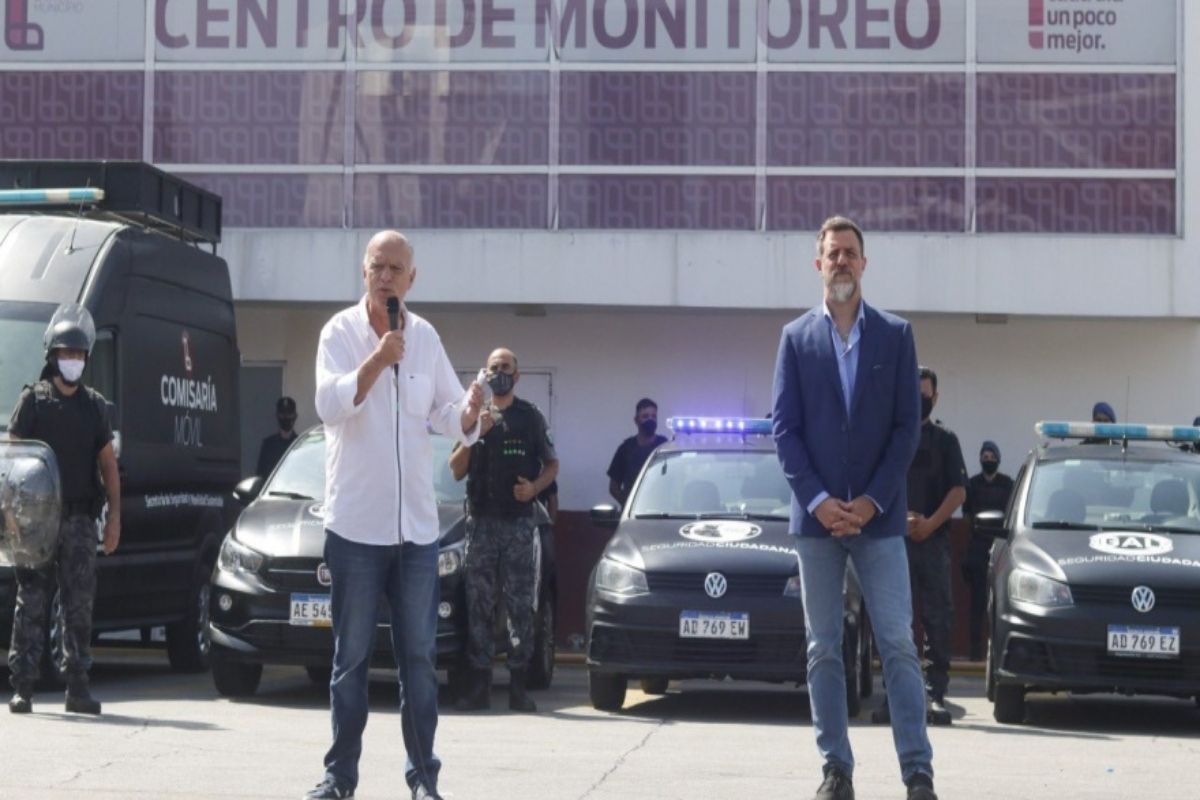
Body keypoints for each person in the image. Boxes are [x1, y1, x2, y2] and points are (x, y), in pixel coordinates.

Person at [308, 230, 484, 800]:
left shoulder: (425, 338)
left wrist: (471, 412)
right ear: (363, 272)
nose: (386, 276)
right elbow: (329, 405)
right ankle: (340, 778)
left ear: (412, 278)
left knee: (419, 661)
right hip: (356, 529)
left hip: (416, 534)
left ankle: (423, 779)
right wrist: (377, 360)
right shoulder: (339, 333)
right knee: (351, 660)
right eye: (377, 266)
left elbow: (449, 416)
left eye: (396, 268)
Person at [772, 215, 936, 800]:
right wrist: (819, 502)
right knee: (823, 648)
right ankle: (835, 770)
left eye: (850, 252)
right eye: (832, 253)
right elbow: (785, 430)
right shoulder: (795, 339)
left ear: (864, 263)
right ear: (818, 264)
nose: (841, 261)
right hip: (816, 526)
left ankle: (917, 773)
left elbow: (906, 430)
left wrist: (870, 502)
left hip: (880, 522)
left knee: (898, 644)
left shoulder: (896, 335)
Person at [7, 309, 120, 716]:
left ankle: (78, 687)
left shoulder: (93, 407)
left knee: (79, 605)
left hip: (79, 520)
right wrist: (9, 516)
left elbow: (108, 466)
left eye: (79, 354)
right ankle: (23, 687)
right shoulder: (33, 402)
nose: (73, 360)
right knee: (31, 602)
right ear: (53, 357)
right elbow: (12, 461)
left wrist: (115, 518)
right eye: (67, 353)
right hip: (36, 520)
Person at [449, 348, 559, 714]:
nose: (499, 373)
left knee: (519, 606)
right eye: (493, 368)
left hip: (517, 525)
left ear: (517, 374)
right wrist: (475, 432)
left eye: (505, 367)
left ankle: (518, 687)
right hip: (480, 524)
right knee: (478, 604)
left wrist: (535, 488)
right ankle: (479, 687)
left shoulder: (530, 417)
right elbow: (455, 469)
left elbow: (552, 464)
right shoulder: (473, 415)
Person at [878, 366, 967, 727]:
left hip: (933, 542)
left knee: (937, 617)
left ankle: (934, 694)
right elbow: (876, 482)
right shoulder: (888, 438)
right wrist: (897, 518)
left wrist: (930, 523)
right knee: (893, 619)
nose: (918, 400)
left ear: (935, 397)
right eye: (912, 394)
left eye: (924, 395)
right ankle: (894, 694)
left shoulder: (946, 440)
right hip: (891, 539)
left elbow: (958, 492)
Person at [962, 441, 1014, 662]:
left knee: (1002, 601)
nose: (988, 460)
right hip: (978, 548)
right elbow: (966, 516)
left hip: (1001, 546)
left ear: (998, 460)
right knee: (977, 602)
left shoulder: (1007, 484)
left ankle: (1000, 653)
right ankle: (976, 652)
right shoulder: (972, 484)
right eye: (985, 457)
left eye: (992, 457)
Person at [606, 398, 666, 506]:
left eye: (654, 416)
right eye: (645, 416)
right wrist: (629, 505)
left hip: (662, 508)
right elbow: (613, 487)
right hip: (634, 513)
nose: (650, 420)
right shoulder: (626, 448)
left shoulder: (665, 446)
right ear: (636, 420)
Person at [256, 396, 299, 477]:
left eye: (289, 414)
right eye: (283, 414)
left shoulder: (300, 444)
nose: (286, 417)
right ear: (277, 416)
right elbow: (261, 476)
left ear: (295, 416)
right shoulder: (268, 446)